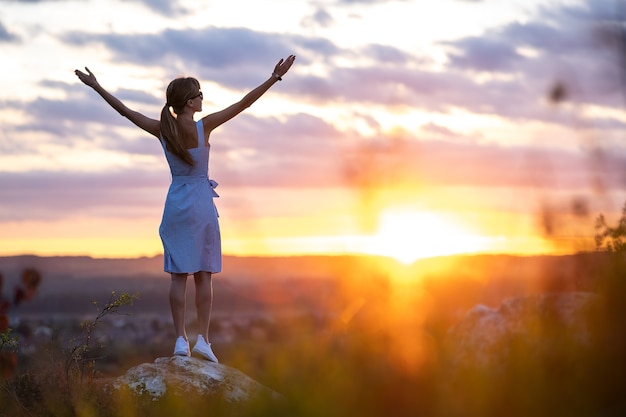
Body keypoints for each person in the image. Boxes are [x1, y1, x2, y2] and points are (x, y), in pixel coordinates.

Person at [75, 54, 296, 362]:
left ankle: (181, 339)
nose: (203, 98)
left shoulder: (163, 129)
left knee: (178, 276)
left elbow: (126, 112)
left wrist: (96, 86)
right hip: (202, 206)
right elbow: (244, 104)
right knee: (204, 275)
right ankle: (203, 339)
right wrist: (275, 77)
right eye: (199, 94)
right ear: (189, 103)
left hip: (176, 205)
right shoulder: (205, 127)